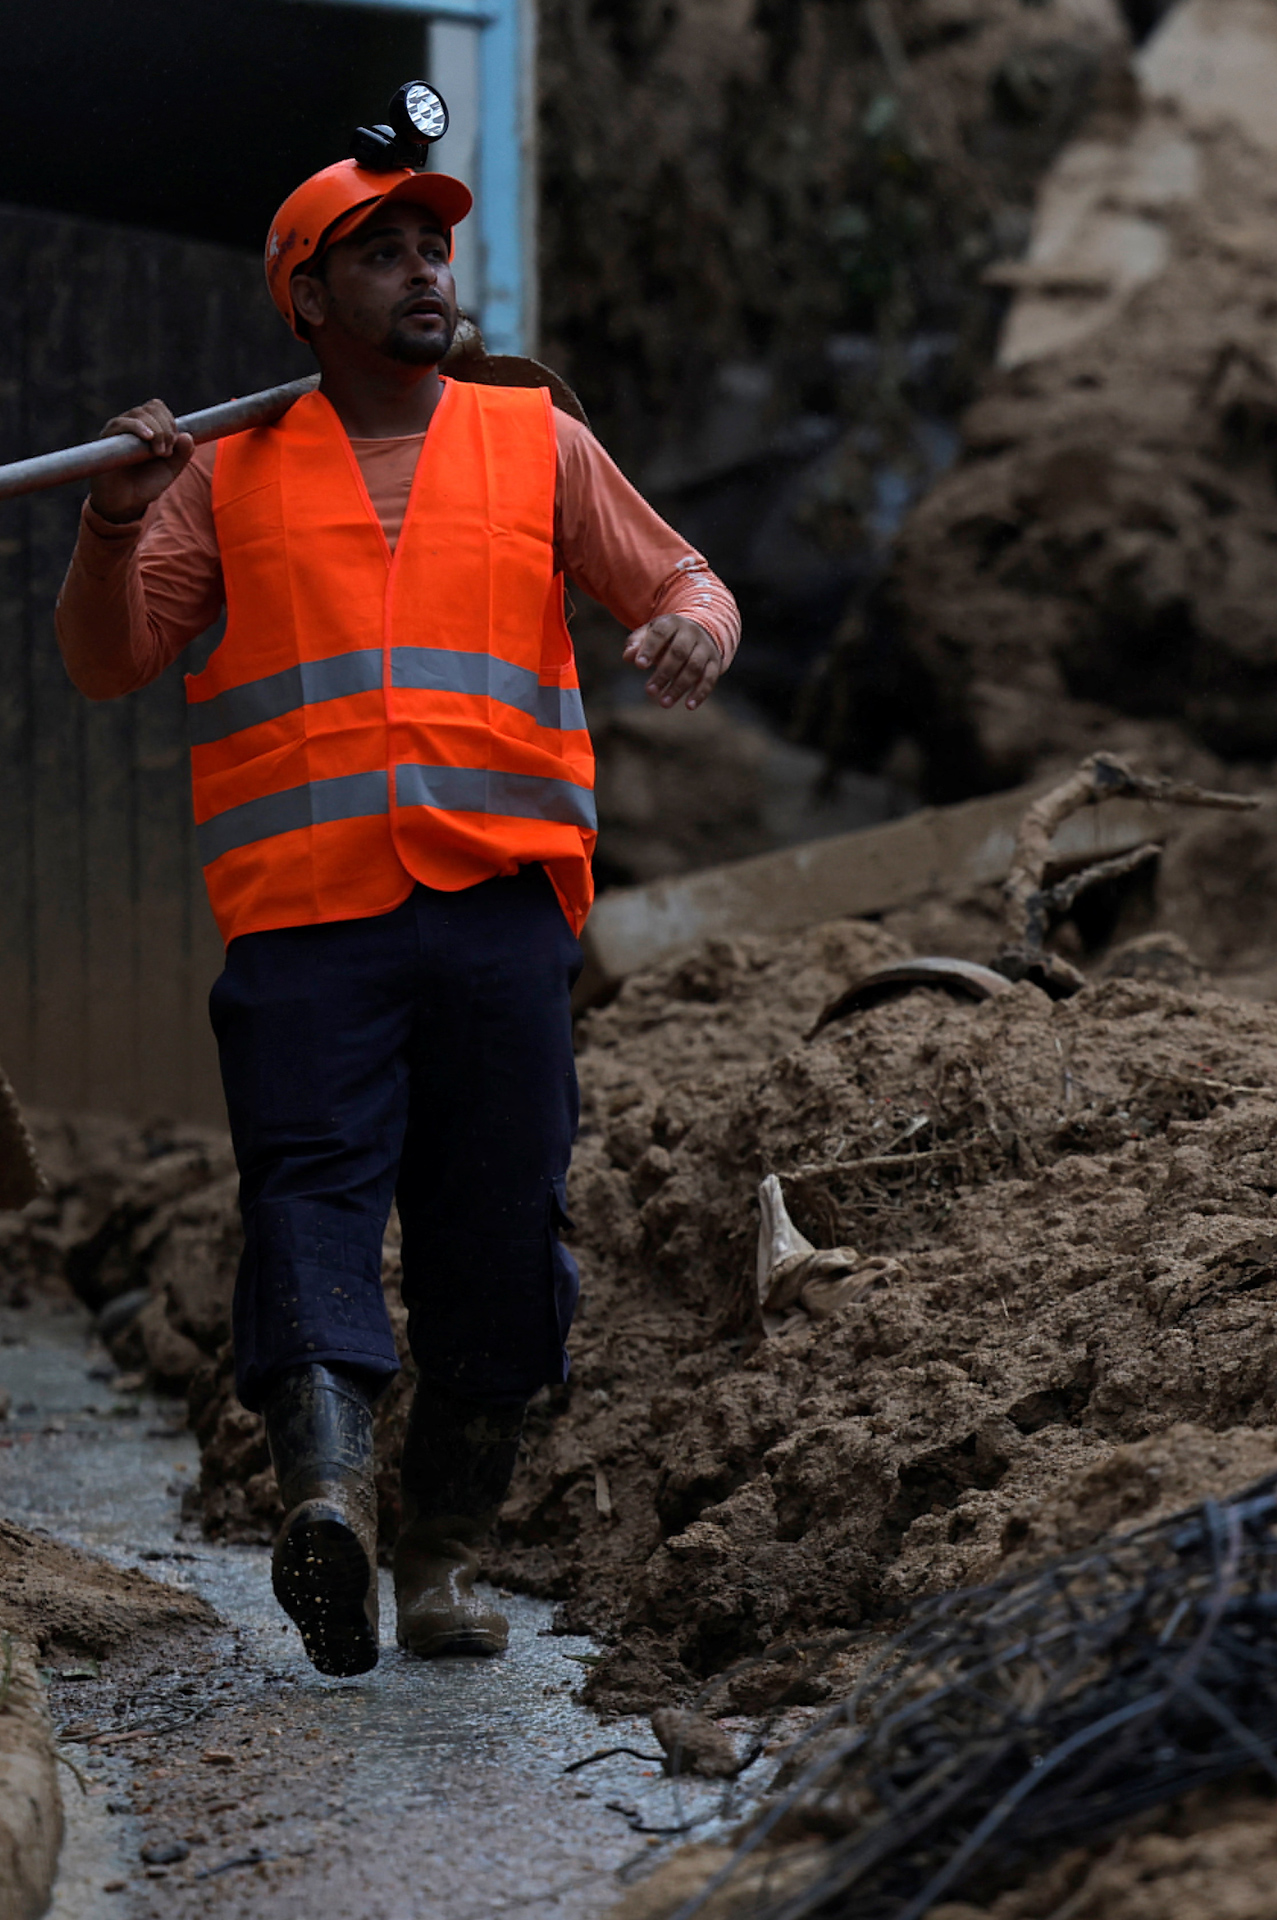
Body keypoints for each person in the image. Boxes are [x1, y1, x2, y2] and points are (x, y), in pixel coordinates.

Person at [54, 153, 741, 1677]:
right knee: (309, 1204)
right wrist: (112, 524)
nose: (425, 273)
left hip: (499, 912)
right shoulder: (222, 474)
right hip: (305, 926)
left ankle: (438, 1553)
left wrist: (691, 626)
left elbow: (682, 577)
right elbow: (107, 664)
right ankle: (327, 1508)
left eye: (433, 248)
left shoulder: (536, 441)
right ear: (307, 298)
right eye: (381, 256)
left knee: (501, 1236)